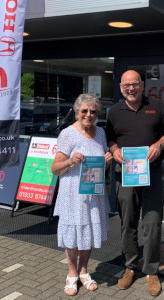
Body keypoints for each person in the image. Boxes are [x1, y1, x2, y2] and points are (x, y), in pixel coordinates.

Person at [106, 70, 164, 296]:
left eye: (135, 84)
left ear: (142, 85)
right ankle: (130, 267)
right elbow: (110, 139)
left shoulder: (157, 106)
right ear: (121, 88)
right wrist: (114, 150)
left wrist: (159, 146)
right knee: (128, 221)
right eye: (127, 85)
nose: (131, 88)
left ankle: (151, 270)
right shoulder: (114, 112)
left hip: (153, 172)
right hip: (126, 173)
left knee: (153, 221)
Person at [51, 94, 112, 296]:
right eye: (84, 110)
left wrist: (107, 161)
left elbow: (100, 163)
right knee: (72, 235)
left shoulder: (101, 133)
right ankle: (71, 274)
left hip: (93, 193)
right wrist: (70, 161)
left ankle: (84, 271)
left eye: (93, 111)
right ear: (77, 112)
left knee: (89, 232)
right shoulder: (67, 134)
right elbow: (55, 168)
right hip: (72, 195)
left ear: (97, 114)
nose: (88, 115)